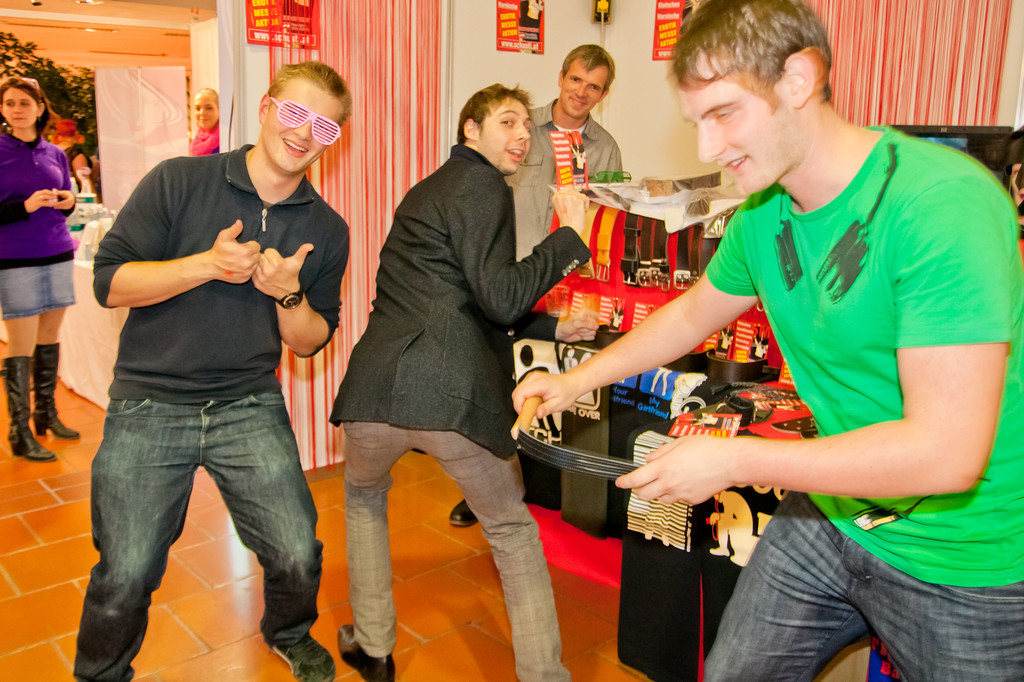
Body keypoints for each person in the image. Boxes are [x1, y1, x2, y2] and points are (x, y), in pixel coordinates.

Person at [513, 0, 1024, 679]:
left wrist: (734, 460)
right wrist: (574, 380)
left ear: (799, 80)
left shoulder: (939, 206)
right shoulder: (763, 214)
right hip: (831, 517)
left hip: (963, 560)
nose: (708, 148)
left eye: (725, 113)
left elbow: (946, 454)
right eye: (697, 122)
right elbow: (688, 318)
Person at [73, 61, 353, 682]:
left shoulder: (327, 228)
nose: (305, 134)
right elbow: (108, 284)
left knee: (297, 552)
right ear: (266, 107)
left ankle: (288, 632)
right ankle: (100, 673)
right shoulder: (179, 180)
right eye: (295, 112)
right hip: (150, 400)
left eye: (326, 127)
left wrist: (287, 295)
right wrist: (205, 264)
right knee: (125, 573)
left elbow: (311, 342)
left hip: (248, 403)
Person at [330, 83, 594, 682]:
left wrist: (553, 326)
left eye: (526, 126)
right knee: (512, 531)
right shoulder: (482, 184)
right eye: (507, 122)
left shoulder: (430, 187)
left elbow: (459, 295)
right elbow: (498, 299)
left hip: (374, 389)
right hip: (447, 394)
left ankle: (372, 647)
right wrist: (571, 235)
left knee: (364, 499)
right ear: (470, 130)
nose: (523, 135)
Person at [450, 43, 623, 528]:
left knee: (555, 373)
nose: (582, 92)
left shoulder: (607, 146)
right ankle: (481, 493)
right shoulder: (522, 129)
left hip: (569, 272)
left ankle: (549, 486)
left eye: (594, 86)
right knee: (497, 379)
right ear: (561, 77)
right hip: (512, 269)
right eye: (576, 80)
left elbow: (608, 211)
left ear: (604, 94)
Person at [0, 76, 80, 463]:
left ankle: (47, 415)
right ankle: (20, 430)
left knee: (49, 339)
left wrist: (68, 201)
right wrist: (24, 207)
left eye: (24, 103)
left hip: (58, 250)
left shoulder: (55, 153)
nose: (17, 109)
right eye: (10, 103)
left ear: (39, 108)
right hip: (15, 257)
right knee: (21, 345)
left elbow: (67, 201)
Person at [189, 87, 220, 156]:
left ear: (219, 110)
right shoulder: (196, 143)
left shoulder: (227, 139)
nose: (202, 113)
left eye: (208, 108)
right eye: (198, 108)